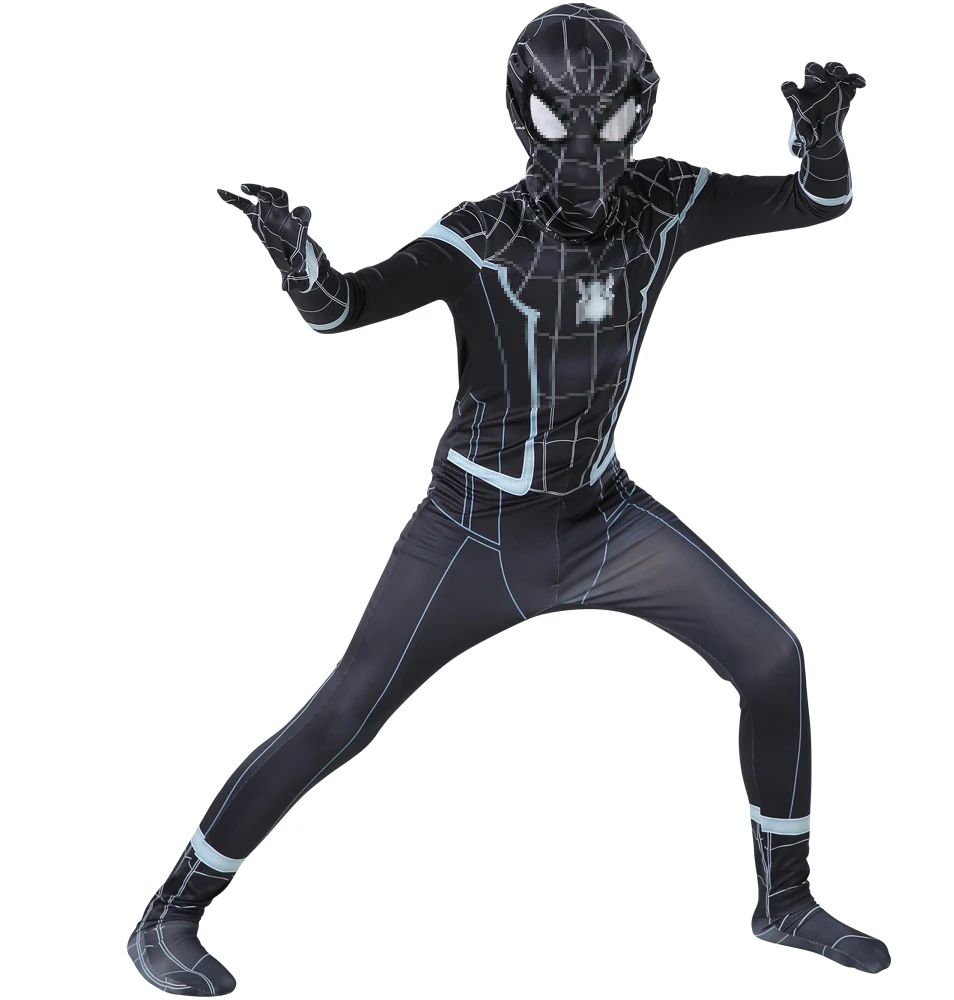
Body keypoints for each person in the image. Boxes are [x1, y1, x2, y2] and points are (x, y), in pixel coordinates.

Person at [127, 5, 889, 993]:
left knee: (774, 659)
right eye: (562, 118)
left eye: (612, 120)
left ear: (642, 112)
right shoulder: (479, 237)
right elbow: (346, 308)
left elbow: (814, 202)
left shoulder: (666, 201)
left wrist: (820, 143)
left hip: (603, 517)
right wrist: (298, 263)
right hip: (472, 534)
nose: (588, 147)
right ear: (522, 112)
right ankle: (168, 913)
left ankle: (784, 901)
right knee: (342, 716)